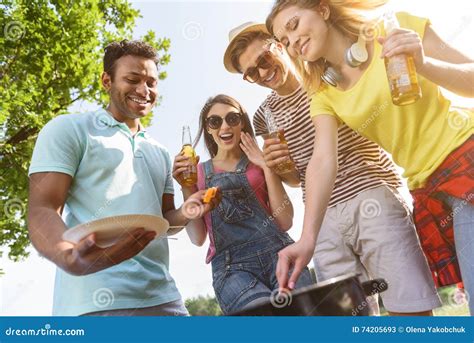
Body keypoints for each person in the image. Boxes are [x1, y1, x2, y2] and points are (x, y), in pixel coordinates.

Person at [267, 0, 474, 314]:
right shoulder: (324, 95)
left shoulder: (395, 29)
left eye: (293, 25)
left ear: (323, 9)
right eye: (284, 40)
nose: (292, 41)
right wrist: (308, 237)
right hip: (428, 189)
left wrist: (423, 64)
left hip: (465, 161)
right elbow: (323, 161)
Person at [223, 22, 441, 315]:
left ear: (279, 44)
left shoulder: (328, 73)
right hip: (320, 219)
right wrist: (276, 165)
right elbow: (295, 178)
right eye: (251, 72)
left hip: (369, 191)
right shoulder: (265, 116)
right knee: (345, 317)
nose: (262, 73)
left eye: (263, 60)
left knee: (408, 307)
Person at [28, 40, 213, 316]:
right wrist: (68, 255)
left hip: (164, 299)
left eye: (151, 82)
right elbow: (42, 208)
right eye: (133, 79)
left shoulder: (159, 151)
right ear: (106, 80)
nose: (144, 90)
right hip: (94, 303)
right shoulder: (70, 129)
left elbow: (164, 224)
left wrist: (188, 210)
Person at [172, 94, 313, 314]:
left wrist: (267, 166)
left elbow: (285, 221)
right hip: (232, 270)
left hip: (280, 253)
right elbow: (197, 238)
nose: (224, 126)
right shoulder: (197, 173)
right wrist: (186, 187)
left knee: (303, 318)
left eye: (232, 118)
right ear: (208, 128)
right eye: (215, 121)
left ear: (242, 123)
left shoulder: (260, 163)